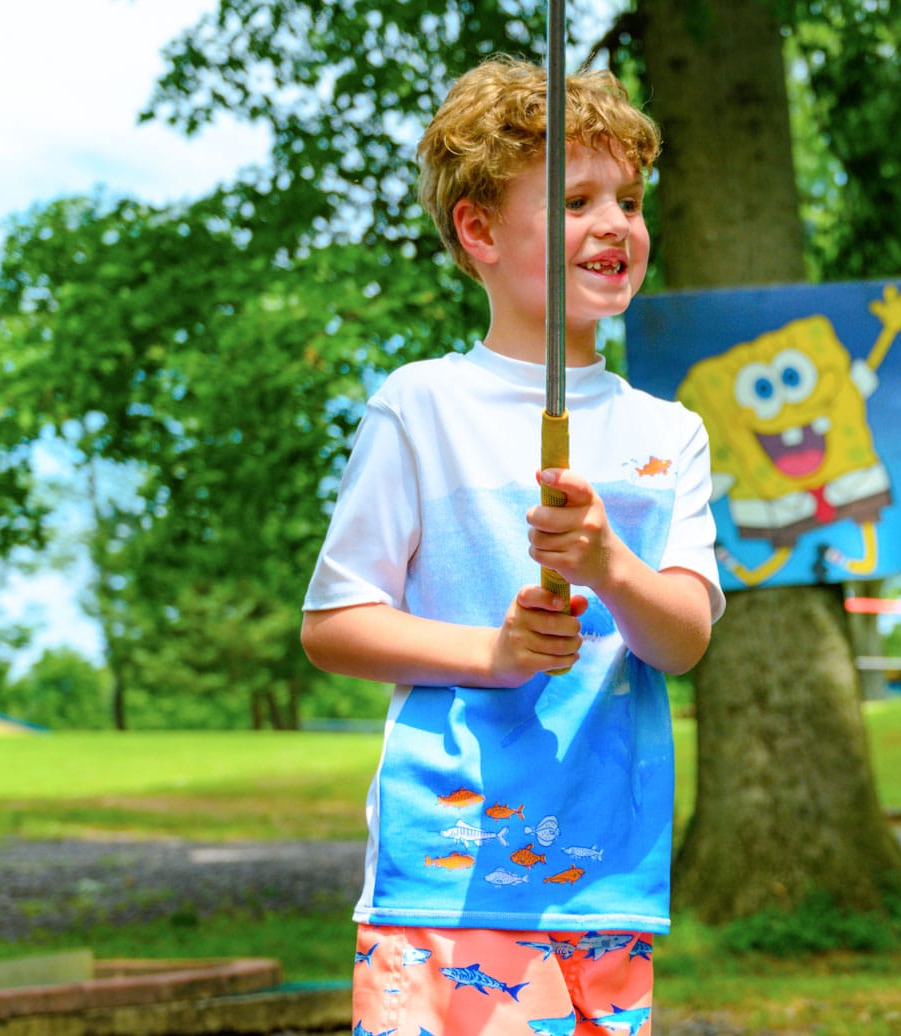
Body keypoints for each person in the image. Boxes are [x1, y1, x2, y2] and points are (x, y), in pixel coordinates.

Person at [300, 55, 722, 1036]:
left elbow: (684, 640)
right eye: (576, 200)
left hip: (601, 875)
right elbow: (335, 623)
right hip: (443, 868)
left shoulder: (670, 433)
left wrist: (609, 566)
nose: (614, 224)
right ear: (479, 231)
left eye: (628, 197)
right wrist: (494, 654)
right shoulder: (421, 405)